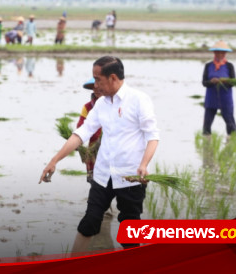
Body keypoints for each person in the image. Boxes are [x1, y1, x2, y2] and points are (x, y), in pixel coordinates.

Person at [39, 56, 160, 252]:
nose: (95, 85)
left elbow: (152, 136)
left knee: (130, 231)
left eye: (98, 80)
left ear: (112, 78)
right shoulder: (101, 104)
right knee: (89, 222)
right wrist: (54, 160)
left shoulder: (139, 99)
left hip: (131, 176)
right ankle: (71, 267)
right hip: (103, 175)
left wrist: (144, 164)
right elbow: (81, 133)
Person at [202, 40, 236, 136]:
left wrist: (225, 81)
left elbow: (233, 82)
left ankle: (232, 141)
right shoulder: (208, 66)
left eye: (222, 52)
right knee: (207, 124)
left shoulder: (229, 66)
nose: (220, 54)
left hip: (225, 98)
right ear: (214, 52)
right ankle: (207, 144)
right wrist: (211, 81)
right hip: (211, 98)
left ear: (225, 53)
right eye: (217, 52)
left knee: (230, 122)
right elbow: (204, 83)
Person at [77, 78, 102, 183]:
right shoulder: (88, 107)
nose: (96, 90)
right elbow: (80, 128)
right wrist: (78, 145)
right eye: (93, 88)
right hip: (93, 151)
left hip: (110, 150)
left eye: (99, 86)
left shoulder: (115, 104)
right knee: (96, 187)